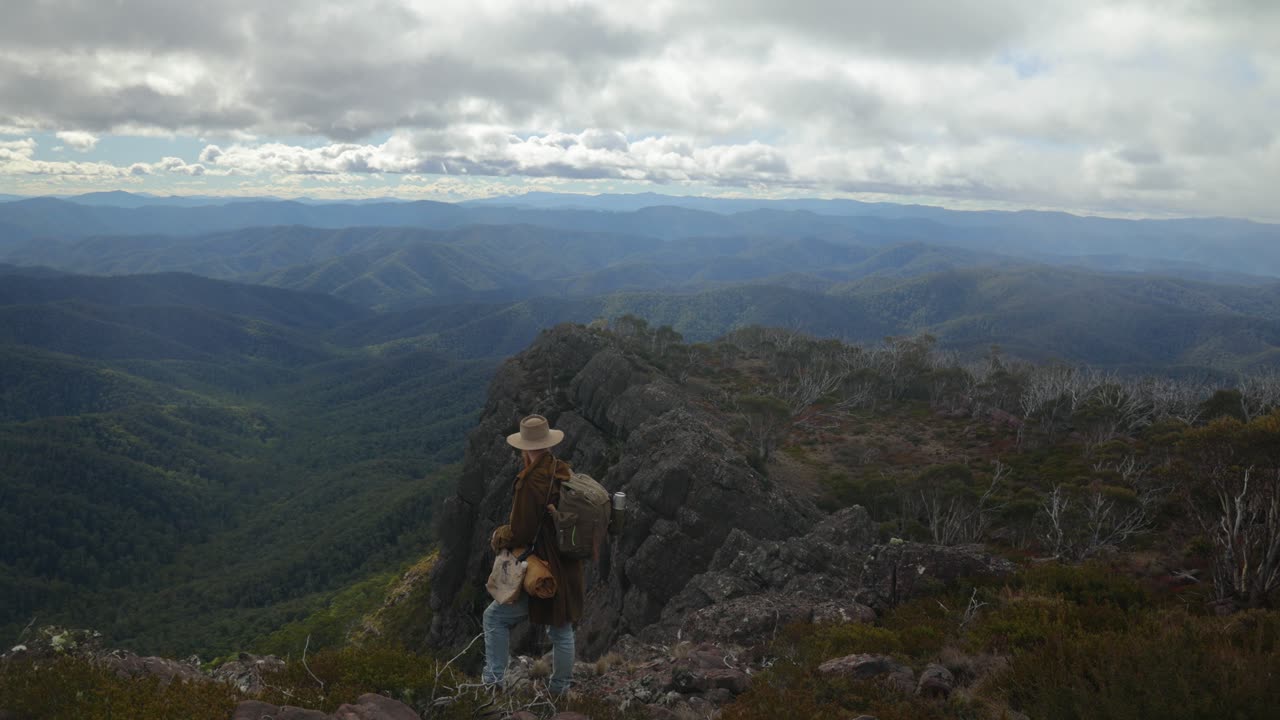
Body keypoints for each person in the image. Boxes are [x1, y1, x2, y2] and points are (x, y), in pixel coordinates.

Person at [482, 414, 584, 695]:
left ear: (525, 448)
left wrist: (500, 536)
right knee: (562, 628)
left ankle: (493, 683)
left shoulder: (530, 482)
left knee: (494, 618)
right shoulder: (562, 470)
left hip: (542, 566)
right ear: (548, 443)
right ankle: (560, 689)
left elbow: (521, 531)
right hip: (568, 564)